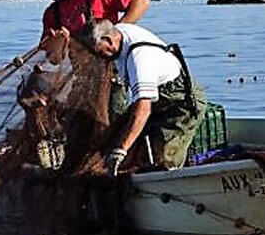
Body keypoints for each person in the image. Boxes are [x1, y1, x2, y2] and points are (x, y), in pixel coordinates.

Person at [80, 20, 207, 171]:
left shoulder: (140, 60)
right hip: (157, 98)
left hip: (180, 104)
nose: (99, 58)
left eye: (99, 52)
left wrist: (122, 150)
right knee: (115, 136)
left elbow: (143, 110)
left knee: (164, 161)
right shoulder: (119, 31)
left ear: (108, 40)